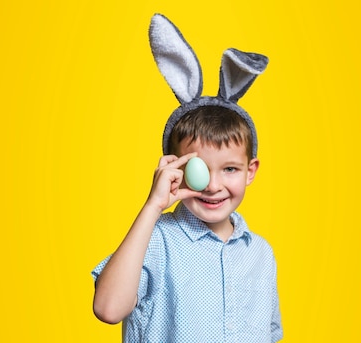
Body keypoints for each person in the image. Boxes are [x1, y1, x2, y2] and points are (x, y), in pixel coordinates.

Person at [91, 14, 282, 342]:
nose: (212, 185)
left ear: (250, 171)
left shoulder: (260, 253)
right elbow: (107, 309)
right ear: (174, 168)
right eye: (199, 169)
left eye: (230, 169)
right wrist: (153, 206)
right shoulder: (156, 240)